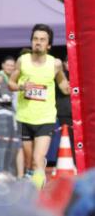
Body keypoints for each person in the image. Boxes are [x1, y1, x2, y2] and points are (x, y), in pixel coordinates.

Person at [8, 24, 70, 187]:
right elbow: (11, 83)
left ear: (48, 45)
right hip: (24, 117)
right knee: (29, 160)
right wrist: (22, 87)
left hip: (45, 117)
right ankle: (34, 171)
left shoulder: (55, 64)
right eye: (35, 39)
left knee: (36, 160)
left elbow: (63, 82)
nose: (38, 42)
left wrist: (70, 88)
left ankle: (37, 195)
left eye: (42, 40)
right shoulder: (23, 61)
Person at [0, 55, 20, 177]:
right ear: (2, 65)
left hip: (10, 114)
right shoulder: (0, 77)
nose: (10, 67)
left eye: (12, 66)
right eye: (8, 65)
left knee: (10, 144)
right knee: (3, 143)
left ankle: (7, 172)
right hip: (0, 113)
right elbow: (3, 97)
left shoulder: (9, 78)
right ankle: (1, 172)